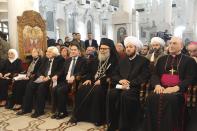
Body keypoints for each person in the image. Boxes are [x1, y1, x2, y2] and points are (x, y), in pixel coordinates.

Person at [145, 36, 197, 131]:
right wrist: (157, 85)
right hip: (162, 88)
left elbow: (191, 78)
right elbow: (155, 75)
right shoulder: (162, 59)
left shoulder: (189, 61)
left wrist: (176, 88)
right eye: (170, 43)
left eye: (174, 43)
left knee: (170, 98)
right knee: (151, 97)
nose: (171, 45)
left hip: (179, 91)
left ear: (181, 46)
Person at [69, 38, 119, 126]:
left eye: (105, 49)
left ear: (110, 49)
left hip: (105, 85)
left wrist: (102, 81)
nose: (102, 50)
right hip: (93, 81)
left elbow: (114, 75)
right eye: (101, 48)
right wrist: (88, 79)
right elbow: (88, 71)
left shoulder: (115, 61)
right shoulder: (96, 59)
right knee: (82, 89)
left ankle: (97, 118)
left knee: (97, 91)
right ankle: (79, 116)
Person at [107, 36, 150, 131]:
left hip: (135, 88)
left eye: (131, 47)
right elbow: (114, 74)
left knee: (125, 95)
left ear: (136, 48)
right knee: (112, 93)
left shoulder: (144, 61)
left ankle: (125, 126)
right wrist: (120, 80)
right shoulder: (121, 60)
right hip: (121, 86)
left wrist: (130, 84)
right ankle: (114, 123)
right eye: (127, 47)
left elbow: (144, 77)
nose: (128, 49)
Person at [17, 46, 65, 118]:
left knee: (41, 87)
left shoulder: (60, 59)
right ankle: (26, 108)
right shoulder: (45, 59)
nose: (47, 53)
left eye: (49, 52)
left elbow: (60, 71)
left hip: (52, 79)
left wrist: (48, 77)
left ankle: (39, 111)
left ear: (55, 53)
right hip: (43, 78)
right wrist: (41, 76)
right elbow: (39, 70)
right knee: (30, 85)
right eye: (47, 51)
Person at [51, 44, 87, 119]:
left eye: (75, 50)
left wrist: (74, 76)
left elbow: (83, 71)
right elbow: (62, 71)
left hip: (75, 82)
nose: (73, 51)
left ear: (78, 51)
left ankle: (63, 112)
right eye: (72, 50)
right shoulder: (68, 60)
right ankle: (59, 110)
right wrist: (56, 75)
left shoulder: (83, 60)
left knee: (60, 90)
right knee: (54, 89)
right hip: (65, 81)